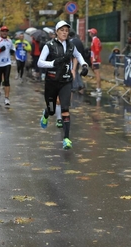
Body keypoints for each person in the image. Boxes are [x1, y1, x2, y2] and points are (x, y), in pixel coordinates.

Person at [37, 20, 89, 150]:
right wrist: (53, 63)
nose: (64, 33)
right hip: (51, 82)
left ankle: (66, 138)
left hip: (66, 81)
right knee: (52, 109)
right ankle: (46, 113)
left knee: (65, 108)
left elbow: (79, 55)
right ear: (56, 32)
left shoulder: (71, 46)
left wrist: (84, 65)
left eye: (66, 31)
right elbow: (40, 62)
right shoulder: (48, 45)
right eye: (62, 30)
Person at [87, 28, 102, 96]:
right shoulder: (96, 39)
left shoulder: (95, 40)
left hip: (95, 59)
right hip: (95, 59)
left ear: (92, 33)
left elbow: (97, 49)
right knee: (97, 74)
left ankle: (98, 90)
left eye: (90, 32)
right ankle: (98, 89)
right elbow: (100, 47)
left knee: (97, 74)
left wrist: (94, 58)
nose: (89, 33)